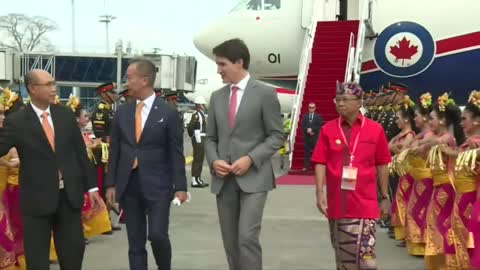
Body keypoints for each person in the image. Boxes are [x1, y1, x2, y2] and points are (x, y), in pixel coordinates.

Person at [0, 69, 101, 270]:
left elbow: (81, 153)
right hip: (36, 201)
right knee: (37, 260)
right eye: (48, 84)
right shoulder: (17, 121)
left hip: (68, 197)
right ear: (33, 89)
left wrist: (92, 188)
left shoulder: (64, 115)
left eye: (54, 83)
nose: (54, 89)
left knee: (73, 253)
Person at [205, 38, 284, 270]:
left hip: (255, 178)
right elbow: (210, 138)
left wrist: (250, 158)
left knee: (246, 238)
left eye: (222, 64)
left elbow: (277, 136)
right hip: (224, 180)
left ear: (239, 62)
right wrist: (214, 160)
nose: (218, 69)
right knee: (231, 243)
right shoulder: (217, 96)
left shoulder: (265, 94)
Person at [105, 58, 188, 270]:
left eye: (129, 78)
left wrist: (180, 187)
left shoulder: (168, 112)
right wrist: (111, 184)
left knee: (158, 235)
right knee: (135, 242)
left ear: (145, 80)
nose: (126, 82)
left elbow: (175, 153)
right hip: (129, 184)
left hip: (158, 184)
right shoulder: (123, 112)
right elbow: (115, 150)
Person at [312, 81, 391, 270]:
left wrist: (385, 196)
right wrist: (319, 194)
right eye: (337, 100)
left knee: (367, 259)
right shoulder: (327, 130)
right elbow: (320, 162)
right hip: (338, 202)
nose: (340, 104)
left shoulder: (375, 129)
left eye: (345, 100)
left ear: (359, 102)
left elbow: (382, 164)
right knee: (343, 257)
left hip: (365, 203)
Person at [419, 93, 464, 269]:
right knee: (437, 221)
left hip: (447, 185)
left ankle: (449, 260)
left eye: (432, 119)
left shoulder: (446, 138)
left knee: (442, 223)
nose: (429, 122)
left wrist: (424, 144)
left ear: (443, 121)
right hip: (439, 185)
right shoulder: (439, 137)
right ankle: (441, 260)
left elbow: (434, 142)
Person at [66, 95, 112, 241]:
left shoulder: (83, 133)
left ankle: (82, 232)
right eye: (85, 116)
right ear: (76, 119)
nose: (88, 119)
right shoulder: (72, 136)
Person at [404, 93, 434, 256]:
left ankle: (422, 244)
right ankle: (418, 243)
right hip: (418, 177)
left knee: (418, 211)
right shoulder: (421, 136)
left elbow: (411, 151)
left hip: (425, 177)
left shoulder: (428, 137)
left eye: (416, 116)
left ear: (425, 117)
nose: (414, 119)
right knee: (415, 210)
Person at [388, 95, 416, 247]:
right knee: (397, 200)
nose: (396, 120)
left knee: (404, 201)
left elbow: (402, 150)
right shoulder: (400, 135)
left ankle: (405, 233)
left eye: (398, 118)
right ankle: (398, 229)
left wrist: (394, 147)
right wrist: (394, 147)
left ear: (406, 119)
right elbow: (389, 146)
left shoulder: (410, 135)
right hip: (395, 169)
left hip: (403, 171)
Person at [186, 96, 209, 188]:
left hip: (202, 138)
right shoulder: (196, 114)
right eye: (203, 104)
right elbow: (191, 127)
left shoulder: (201, 113)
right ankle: (194, 180)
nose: (204, 106)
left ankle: (198, 178)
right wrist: (195, 137)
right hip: (198, 139)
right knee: (197, 159)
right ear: (199, 105)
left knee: (200, 159)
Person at [301, 102, 323, 171]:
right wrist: (307, 130)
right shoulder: (305, 116)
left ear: (315, 108)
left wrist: (312, 130)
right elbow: (303, 126)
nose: (311, 109)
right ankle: (306, 166)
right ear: (308, 108)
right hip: (307, 137)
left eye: (312, 107)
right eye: (310, 107)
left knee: (315, 153)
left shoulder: (318, 116)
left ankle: (315, 167)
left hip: (314, 137)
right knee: (307, 153)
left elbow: (319, 125)